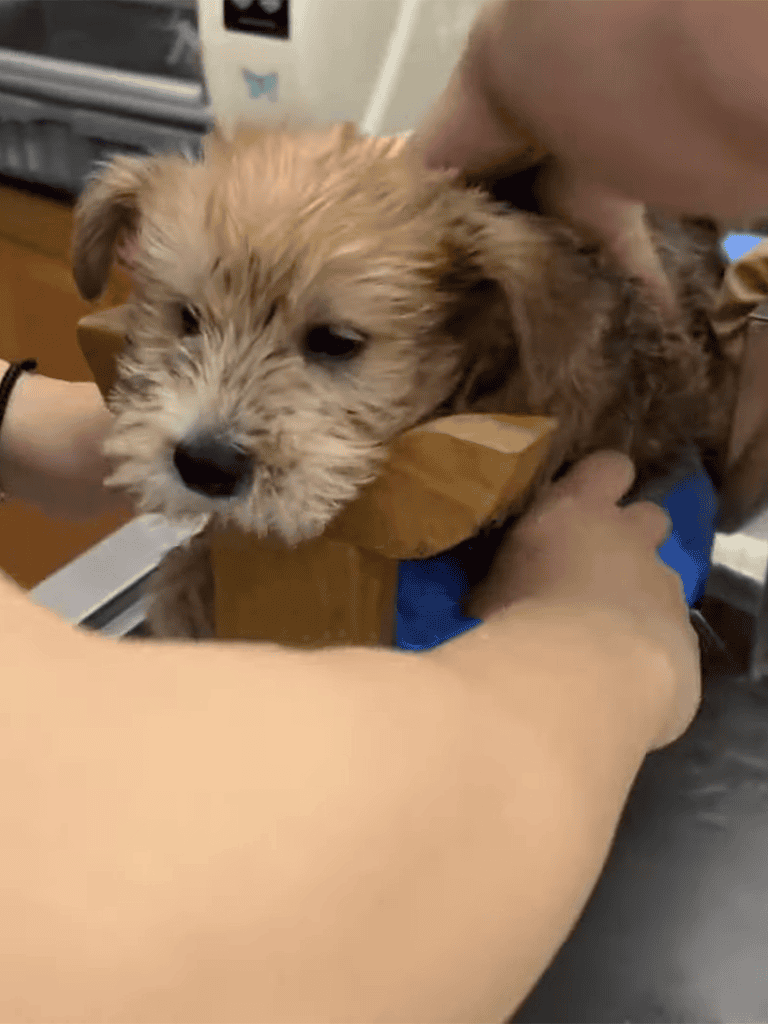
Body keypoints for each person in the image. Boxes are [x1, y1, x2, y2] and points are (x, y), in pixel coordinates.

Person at [0, 1, 766, 1018]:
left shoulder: (545, 330)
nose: (211, 416)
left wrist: (16, 419)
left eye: (332, 345)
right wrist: (599, 643)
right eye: (184, 319)